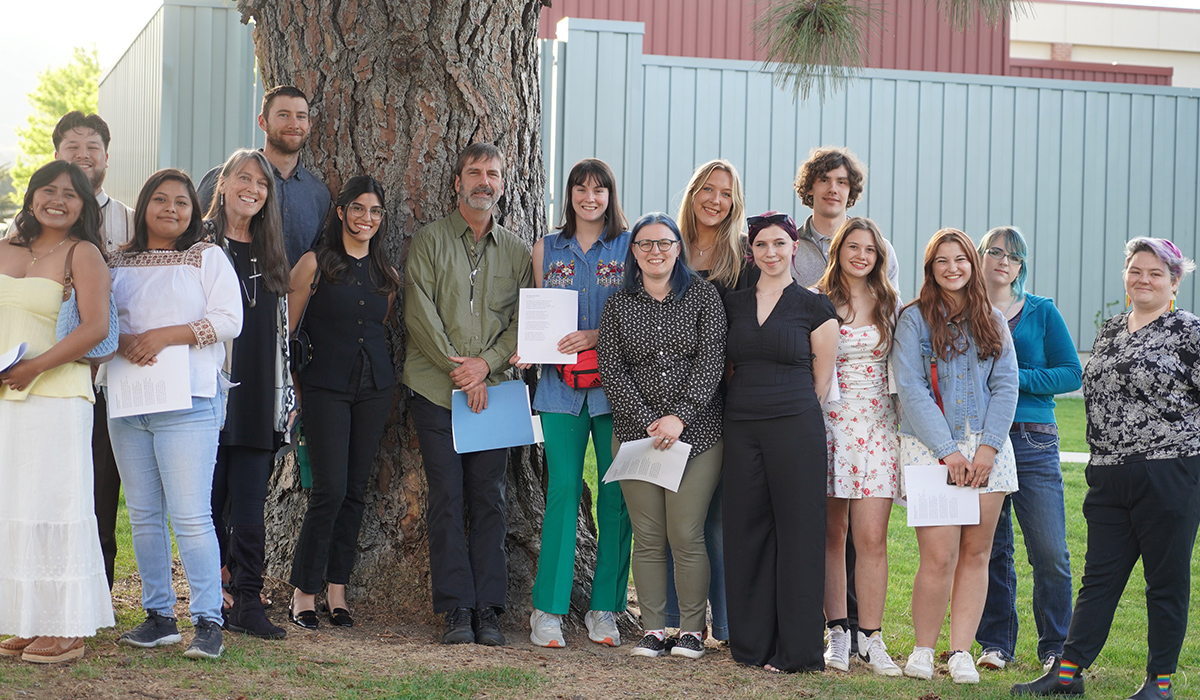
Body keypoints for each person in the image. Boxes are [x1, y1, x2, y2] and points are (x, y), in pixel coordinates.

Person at [1012, 238, 1200, 700]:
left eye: (1156, 273)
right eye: (1136, 270)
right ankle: (1068, 673)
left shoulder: (1189, 332)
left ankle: (1159, 683)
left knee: (1164, 580)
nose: (1143, 279)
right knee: (1099, 577)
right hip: (1110, 474)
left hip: (1170, 472)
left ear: (1174, 281)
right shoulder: (1112, 331)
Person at [104, 169, 242, 660]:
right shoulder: (115, 260)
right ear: (143, 206)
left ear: (193, 211)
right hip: (128, 402)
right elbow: (99, 318)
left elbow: (231, 319)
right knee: (143, 515)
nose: (170, 209)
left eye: (181, 202)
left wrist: (163, 336)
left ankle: (208, 620)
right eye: (159, 200)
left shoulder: (206, 257)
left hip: (188, 402)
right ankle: (159, 616)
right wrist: (121, 341)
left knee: (190, 515)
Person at [403, 143, 532, 646]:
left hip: (494, 395)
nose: (484, 180)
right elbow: (419, 310)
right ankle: (457, 608)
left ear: (502, 184)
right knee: (447, 498)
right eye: (474, 172)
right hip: (436, 389)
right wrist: (461, 371)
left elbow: (524, 320)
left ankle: (490, 609)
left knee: (490, 500)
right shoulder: (431, 240)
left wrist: (486, 366)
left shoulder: (517, 251)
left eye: (492, 174)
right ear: (457, 182)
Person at [4, 112, 137, 590]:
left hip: (87, 382)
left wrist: (40, 365)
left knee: (79, 497)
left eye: (93, 148)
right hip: (19, 387)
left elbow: (109, 316)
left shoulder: (109, 234)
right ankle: (30, 602)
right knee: (25, 498)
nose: (83, 156)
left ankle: (79, 605)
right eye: (72, 147)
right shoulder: (15, 242)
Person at [596, 212, 726, 660]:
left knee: (686, 533)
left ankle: (691, 630)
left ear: (678, 248)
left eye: (664, 243)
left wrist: (680, 417)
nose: (656, 252)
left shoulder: (704, 297)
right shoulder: (618, 303)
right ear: (633, 252)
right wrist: (649, 419)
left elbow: (711, 362)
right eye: (646, 244)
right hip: (637, 439)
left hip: (698, 438)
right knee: (649, 537)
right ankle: (654, 629)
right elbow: (611, 368)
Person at [0, 161, 115, 663]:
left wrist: (34, 368)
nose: (58, 199)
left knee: (56, 506)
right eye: (49, 189)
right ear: (31, 197)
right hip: (8, 396)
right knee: (18, 506)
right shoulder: (5, 249)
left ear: (84, 206)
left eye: (72, 194)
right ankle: (31, 618)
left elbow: (94, 328)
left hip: (58, 394)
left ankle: (66, 628)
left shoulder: (82, 253)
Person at [892, 228, 1018, 684]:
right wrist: (948, 451)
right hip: (932, 450)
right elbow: (911, 388)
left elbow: (1006, 385)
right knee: (938, 556)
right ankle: (925, 649)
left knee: (977, 552)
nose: (952, 268)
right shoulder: (913, 319)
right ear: (931, 269)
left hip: (989, 451)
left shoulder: (994, 319)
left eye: (960, 259)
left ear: (972, 264)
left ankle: (961, 650)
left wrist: (986, 447)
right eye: (942, 261)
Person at [517, 159, 632, 649]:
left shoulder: (630, 247)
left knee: (617, 495)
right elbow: (538, 312)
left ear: (610, 195)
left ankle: (605, 608)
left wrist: (596, 335)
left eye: (599, 189)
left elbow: (644, 313)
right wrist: (528, 345)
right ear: (569, 195)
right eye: (580, 188)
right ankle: (547, 611)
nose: (590, 197)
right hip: (559, 390)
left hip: (617, 392)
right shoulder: (547, 248)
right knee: (563, 489)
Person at [722, 211, 838, 672]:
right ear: (751, 251)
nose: (771, 253)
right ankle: (752, 645)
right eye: (762, 245)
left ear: (794, 248)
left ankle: (798, 650)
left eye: (780, 244)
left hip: (795, 424)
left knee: (799, 534)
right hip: (741, 426)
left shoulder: (815, 306)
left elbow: (821, 381)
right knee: (747, 532)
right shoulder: (731, 303)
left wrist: (785, 409)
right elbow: (726, 369)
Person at [287, 176, 399, 630]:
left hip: (374, 389)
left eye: (374, 211)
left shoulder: (385, 273)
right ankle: (303, 592)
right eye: (358, 209)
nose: (366, 219)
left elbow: (380, 325)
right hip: (324, 388)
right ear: (341, 212)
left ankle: (338, 590)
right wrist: (293, 388)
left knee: (355, 492)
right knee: (329, 492)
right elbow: (288, 333)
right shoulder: (314, 264)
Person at [973, 226, 1080, 671]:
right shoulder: (965, 310)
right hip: (982, 442)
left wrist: (1015, 380)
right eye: (995, 252)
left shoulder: (1041, 312)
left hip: (1033, 437)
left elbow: (1071, 373)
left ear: (1021, 266)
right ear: (979, 257)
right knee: (990, 549)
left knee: (1050, 550)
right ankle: (997, 643)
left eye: (1013, 256)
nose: (1003, 261)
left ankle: (1057, 647)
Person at [205, 149, 294, 639]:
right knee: (208, 502)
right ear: (224, 183)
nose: (253, 189)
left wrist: (286, 401)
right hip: (209, 396)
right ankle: (208, 595)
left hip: (258, 396)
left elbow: (280, 335)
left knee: (250, 507)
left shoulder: (270, 252)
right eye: (244, 178)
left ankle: (248, 600)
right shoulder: (199, 245)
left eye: (262, 184)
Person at [661, 158, 749, 643]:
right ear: (693, 193)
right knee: (676, 514)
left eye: (726, 193)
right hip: (667, 404)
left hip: (722, 399)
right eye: (708, 190)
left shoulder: (743, 258)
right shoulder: (665, 246)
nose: (716, 200)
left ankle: (729, 623)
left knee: (714, 518)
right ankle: (675, 620)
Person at [815, 217, 903, 676]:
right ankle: (837, 633)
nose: (861, 255)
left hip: (879, 428)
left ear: (879, 255)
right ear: (839, 250)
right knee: (833, 536)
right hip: (831, 426)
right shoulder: (817, 301)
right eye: (853, 246)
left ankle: (872, 638)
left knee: (871, 538)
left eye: (870, 249)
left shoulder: (892, 304)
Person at [198, 85, 331, 266]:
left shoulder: (318, 194)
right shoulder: (222, 179)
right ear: (262, 122)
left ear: (308, 126)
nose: (294, 124)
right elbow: (193, 239)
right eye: (283, 115)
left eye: (301, 116)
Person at [790, 146, 898, 289]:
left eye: (841, 182)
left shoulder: (880, 249)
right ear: (810, 187)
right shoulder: (788, 249)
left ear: (850, 190)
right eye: (824, 180)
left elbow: (890, 307)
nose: (833, 189)